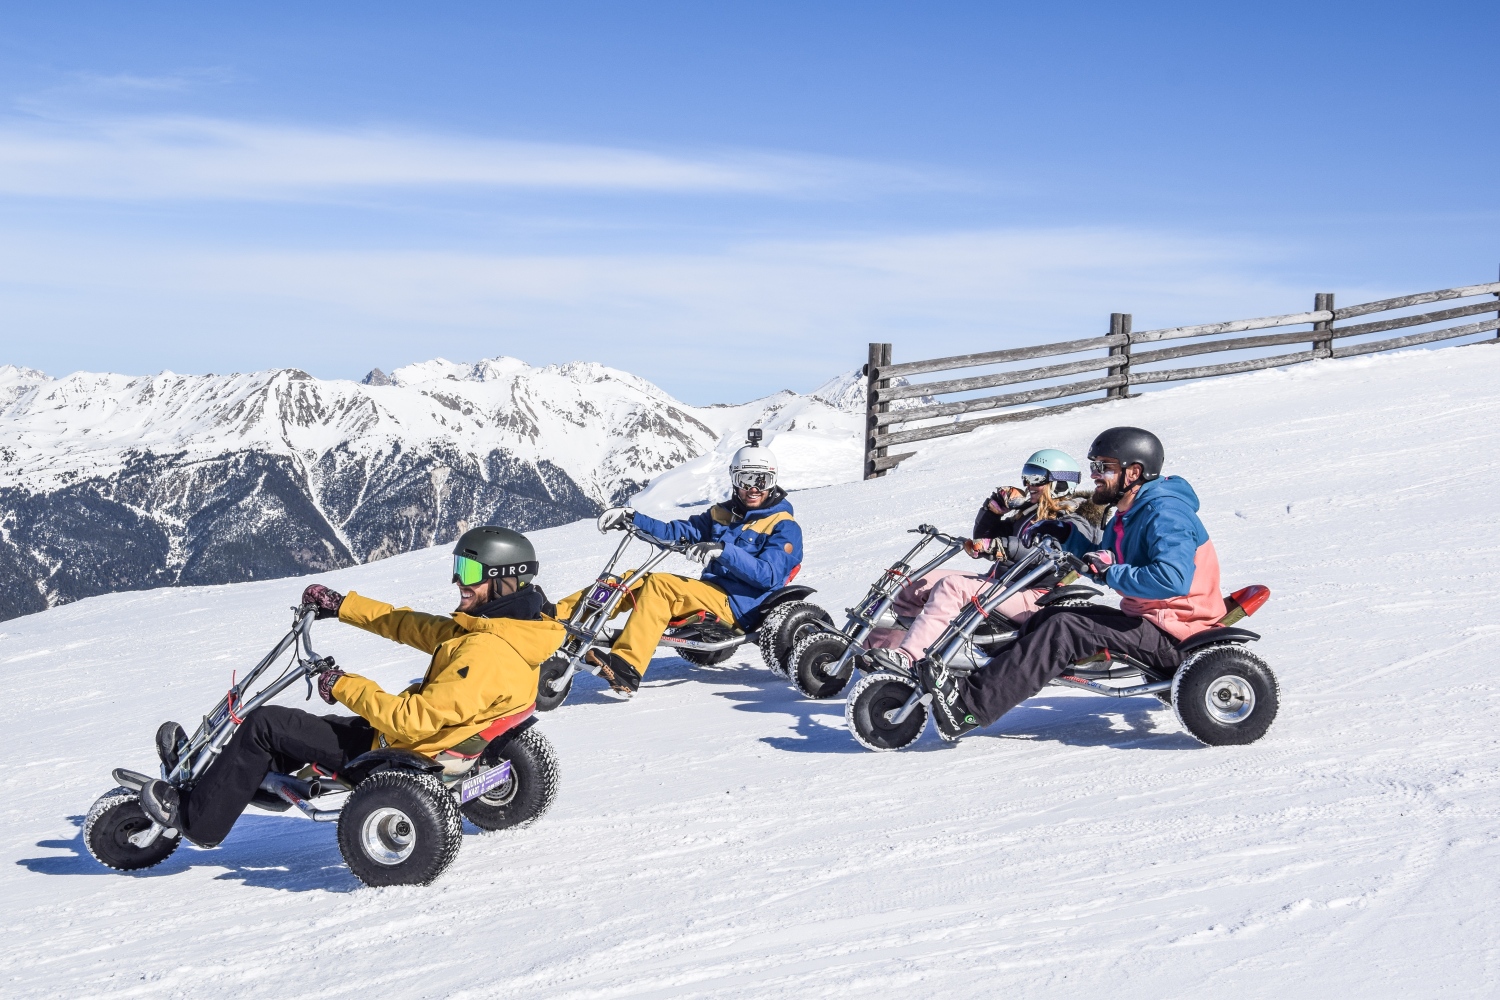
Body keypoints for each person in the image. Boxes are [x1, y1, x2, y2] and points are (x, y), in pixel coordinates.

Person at [138, 526, 565, 847]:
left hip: (395, 752)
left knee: (265, 724)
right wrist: (342, 606)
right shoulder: (510, 632)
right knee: (298, 729)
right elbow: (410, 625)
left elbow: (413, 720)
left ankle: (197, 820)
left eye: (469, 571)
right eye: (457, 568)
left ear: (504, 579)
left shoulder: (486, 652)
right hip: (428, 743)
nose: (458, 581)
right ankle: (249, 782)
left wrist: (340, 683)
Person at [922, 427, 1227, 740]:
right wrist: (1067, 538)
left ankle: (967, 707)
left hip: (1180, 632)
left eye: (1104, 467)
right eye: (1093, 466)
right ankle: (981, 683)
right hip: (1152, 619)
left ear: (1133, 472)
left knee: (1065, 629)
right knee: (1050, 616)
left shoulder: (1166, 513)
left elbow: (1171, 579)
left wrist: (1111, 572)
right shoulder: (1128, 512)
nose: (1094, 474)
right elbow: (1101, 557)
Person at [554, 437, 802, 696]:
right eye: (745, 480)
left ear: (773, 481)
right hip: (710, 593)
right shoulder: (722, 515)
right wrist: (632, 518)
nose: (753, 488)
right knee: (632, 579)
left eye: (761, 480)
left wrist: (724, 551)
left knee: (661, 585)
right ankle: (560, 618)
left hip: (741, 606)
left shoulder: (783, 525)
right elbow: (677, 532)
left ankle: (627, 666)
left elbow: (770, 577)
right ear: (734, 480)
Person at [864, 449, 1106, 670]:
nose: (1028, 484)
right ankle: (878, 652)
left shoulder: (1075, 522)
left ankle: (910, 657)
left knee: (953, 587)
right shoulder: (1030, 514)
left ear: (1060, 482)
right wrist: (993, 510)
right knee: (917, 580)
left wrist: (1005, 547)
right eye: (1027, 476)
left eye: (1036, 477)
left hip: (1038, 596)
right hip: (1004, 584)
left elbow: (1043, 551)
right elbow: (985, 539)